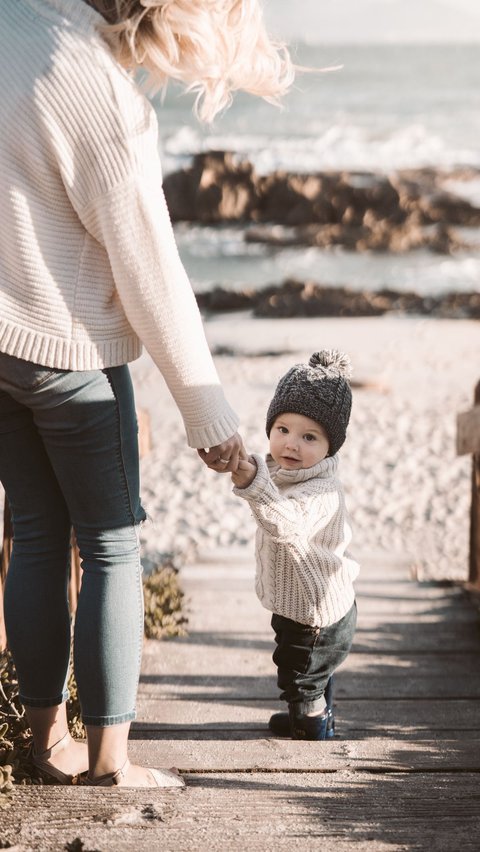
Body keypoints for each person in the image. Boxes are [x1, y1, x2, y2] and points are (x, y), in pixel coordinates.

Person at [0, 0, 293, 787]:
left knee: (32, 534)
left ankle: (42, 743)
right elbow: (153, 279)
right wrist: (209, 412)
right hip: (70, 357)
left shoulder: (9, 20)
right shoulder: (100, 91)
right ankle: (108, 765)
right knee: (110, 545)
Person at [231, 351, 359, 740]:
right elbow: (262, 480)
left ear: (330, 447)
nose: (291, 444)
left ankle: (312, 722)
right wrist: (247, 469)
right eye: (283, 429)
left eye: (309, 437)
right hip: (298, 604)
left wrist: (253, 484)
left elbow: (285, 524)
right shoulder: (280, 472)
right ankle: (309, 709)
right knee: (302, 665)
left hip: (317, 615)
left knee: (300, 671)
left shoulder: (321, 491)